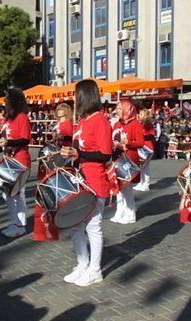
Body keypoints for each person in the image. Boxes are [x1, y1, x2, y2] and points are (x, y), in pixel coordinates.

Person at [59, 79, 112, 286]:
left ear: (85, 96)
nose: (74, 98)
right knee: (76, 225)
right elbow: (81, 151)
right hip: (81, 179)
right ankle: (83, 264)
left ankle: (95, 270)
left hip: (96, 181)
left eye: (76, 94)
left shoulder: (101, 120)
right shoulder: (82, 120)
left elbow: (105, 154)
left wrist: (79, 153)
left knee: (93, 227)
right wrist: (70, 153)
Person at [0, 88, 31, 238]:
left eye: (8, 99)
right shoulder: (8, 119)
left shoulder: (22, 117)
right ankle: (15, 222)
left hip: (20, 159)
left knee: (17, 193)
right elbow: (5, 139)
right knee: (7, 194)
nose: (5, 101)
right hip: (9, 159)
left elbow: (25, 139)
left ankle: (20, 225)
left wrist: (9, 142)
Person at [110, 99, 144, 225]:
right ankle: (120, 211)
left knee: (127, 188)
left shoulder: (135, 124)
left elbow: (141, 142)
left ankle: (130, 213)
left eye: (119, 108)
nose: (116, 111)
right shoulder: (116, 124)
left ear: (126, 110)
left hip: (129, 158)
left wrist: (128, 143)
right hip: (117, 157)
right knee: (118, 187)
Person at [135, 109, 155, 191]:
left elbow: (151, 135)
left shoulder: (147, 123)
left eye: (141, 114)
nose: (139, 115)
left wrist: (140, 137)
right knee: (142, 167)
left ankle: (145, 184)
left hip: (147, 148)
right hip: (142, 147)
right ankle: (142, 182)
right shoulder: (141, 123)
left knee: (144, 167)